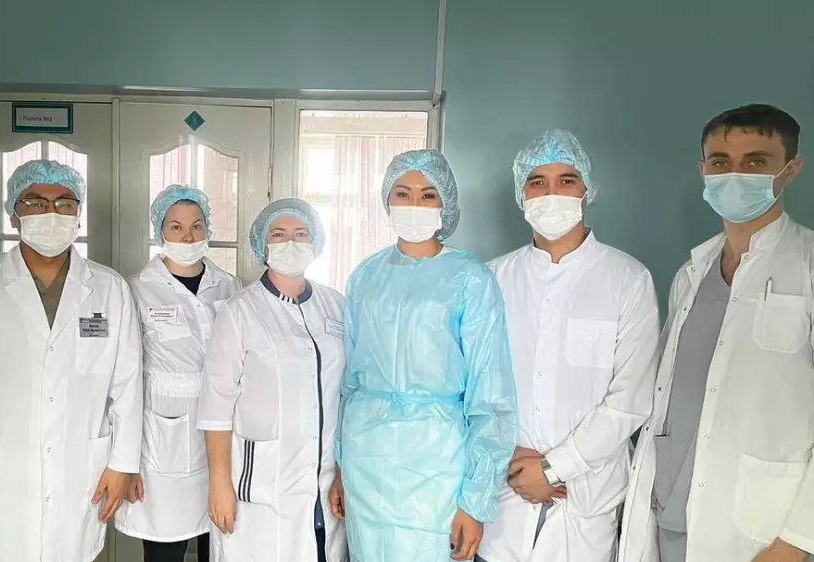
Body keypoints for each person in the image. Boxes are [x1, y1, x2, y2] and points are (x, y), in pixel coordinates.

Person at [620, 104, 814, 562]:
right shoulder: (692, 273)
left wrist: (797, 539)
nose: (735, 175)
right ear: (703, 171)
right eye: (721, 162)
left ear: (791, 169)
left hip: (761, 533)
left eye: (756, 162)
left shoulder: (807, 264)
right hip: (670, 515)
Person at [0, 159, 143, 562]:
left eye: (64, 203)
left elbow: (129, 385)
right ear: (14, 213)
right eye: (35, 202)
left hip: (79, 471)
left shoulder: (110, 288)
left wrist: (122, 464)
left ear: (78, 214)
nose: (51, 213)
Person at [479, 130, 659, 562]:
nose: (551, 193)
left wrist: (553, 468)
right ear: (521, 194)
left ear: (586, 190)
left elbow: (629, 401)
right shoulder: (491, 280)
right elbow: (473, 385)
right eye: (537, 182)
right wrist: (505, 455)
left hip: (584, 505)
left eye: (567, 180)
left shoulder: (627, 279)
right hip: (503, 499)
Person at [337, 149, 518, 562]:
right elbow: (351, 383)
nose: (414, 204)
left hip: (438, 466)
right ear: (387, 200)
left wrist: (475, 500)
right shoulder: (365, 276)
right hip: (367, 461)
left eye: (428, 195)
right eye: (403, 193)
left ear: (445, 203)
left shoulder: (471, 279)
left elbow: (491, 397)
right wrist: (342, 468)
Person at [198, 198, 347, 562]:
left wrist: (342, 471)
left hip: (325, 478)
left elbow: (346, 393)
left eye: (301, 233)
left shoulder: (336, 306)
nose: (290, 242)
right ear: (263, 245)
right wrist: (219, 483)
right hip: (262, 479)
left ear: (316, 242)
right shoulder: (239, 312)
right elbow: (216, 404)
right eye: (279, 234)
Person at [116, 184, 242, 561]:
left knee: (219, 547)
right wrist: (126, 464)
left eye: (196, 226)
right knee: (164, 551)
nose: (188, 237)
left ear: (208, 228)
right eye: (176, 227)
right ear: (160, 231)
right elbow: (125, 380)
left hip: (223, 436)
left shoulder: (230, 286)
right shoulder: (137, 289)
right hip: (160, 444)